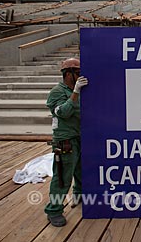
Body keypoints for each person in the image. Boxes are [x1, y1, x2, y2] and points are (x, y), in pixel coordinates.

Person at [44, 57, 88, 227]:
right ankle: (54, 210)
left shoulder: (81, 89)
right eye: (77, 73)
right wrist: (75, 93)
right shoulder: (58, 92)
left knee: (81, 170)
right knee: (62, 177)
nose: (80, 75)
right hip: (65, 139)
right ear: (67, 74)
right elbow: (63, 112)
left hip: (80, 136)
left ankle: (80, 194)